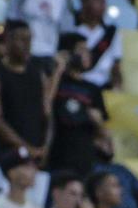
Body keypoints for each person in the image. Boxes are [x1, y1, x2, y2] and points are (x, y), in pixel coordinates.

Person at [0, 21, 53, 165]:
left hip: (36, 154)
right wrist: (26, 148)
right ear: (8, 41)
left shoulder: (38, 74)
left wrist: (45, 147)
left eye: (30, 39)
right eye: (22, 39)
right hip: (6, 154)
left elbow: (47, 113)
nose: (27, 45)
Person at [48, 32, 113, 176]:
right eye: (82, 50)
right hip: (57, 150)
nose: (88, 54)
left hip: (83, 154)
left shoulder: (92, 89)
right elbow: (45, 105)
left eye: (87, 50)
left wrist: (98, 123)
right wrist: (58, 70)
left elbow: (103, 131)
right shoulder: (55, 82)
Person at [69, 0, 124, 89]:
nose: (103, 5)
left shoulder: (111, 32)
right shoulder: (71, 28)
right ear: (84, 1)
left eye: (104, 1)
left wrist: (117, 87)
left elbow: (116, 65)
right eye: (98, 0)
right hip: (75, 85)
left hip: (101, 87)